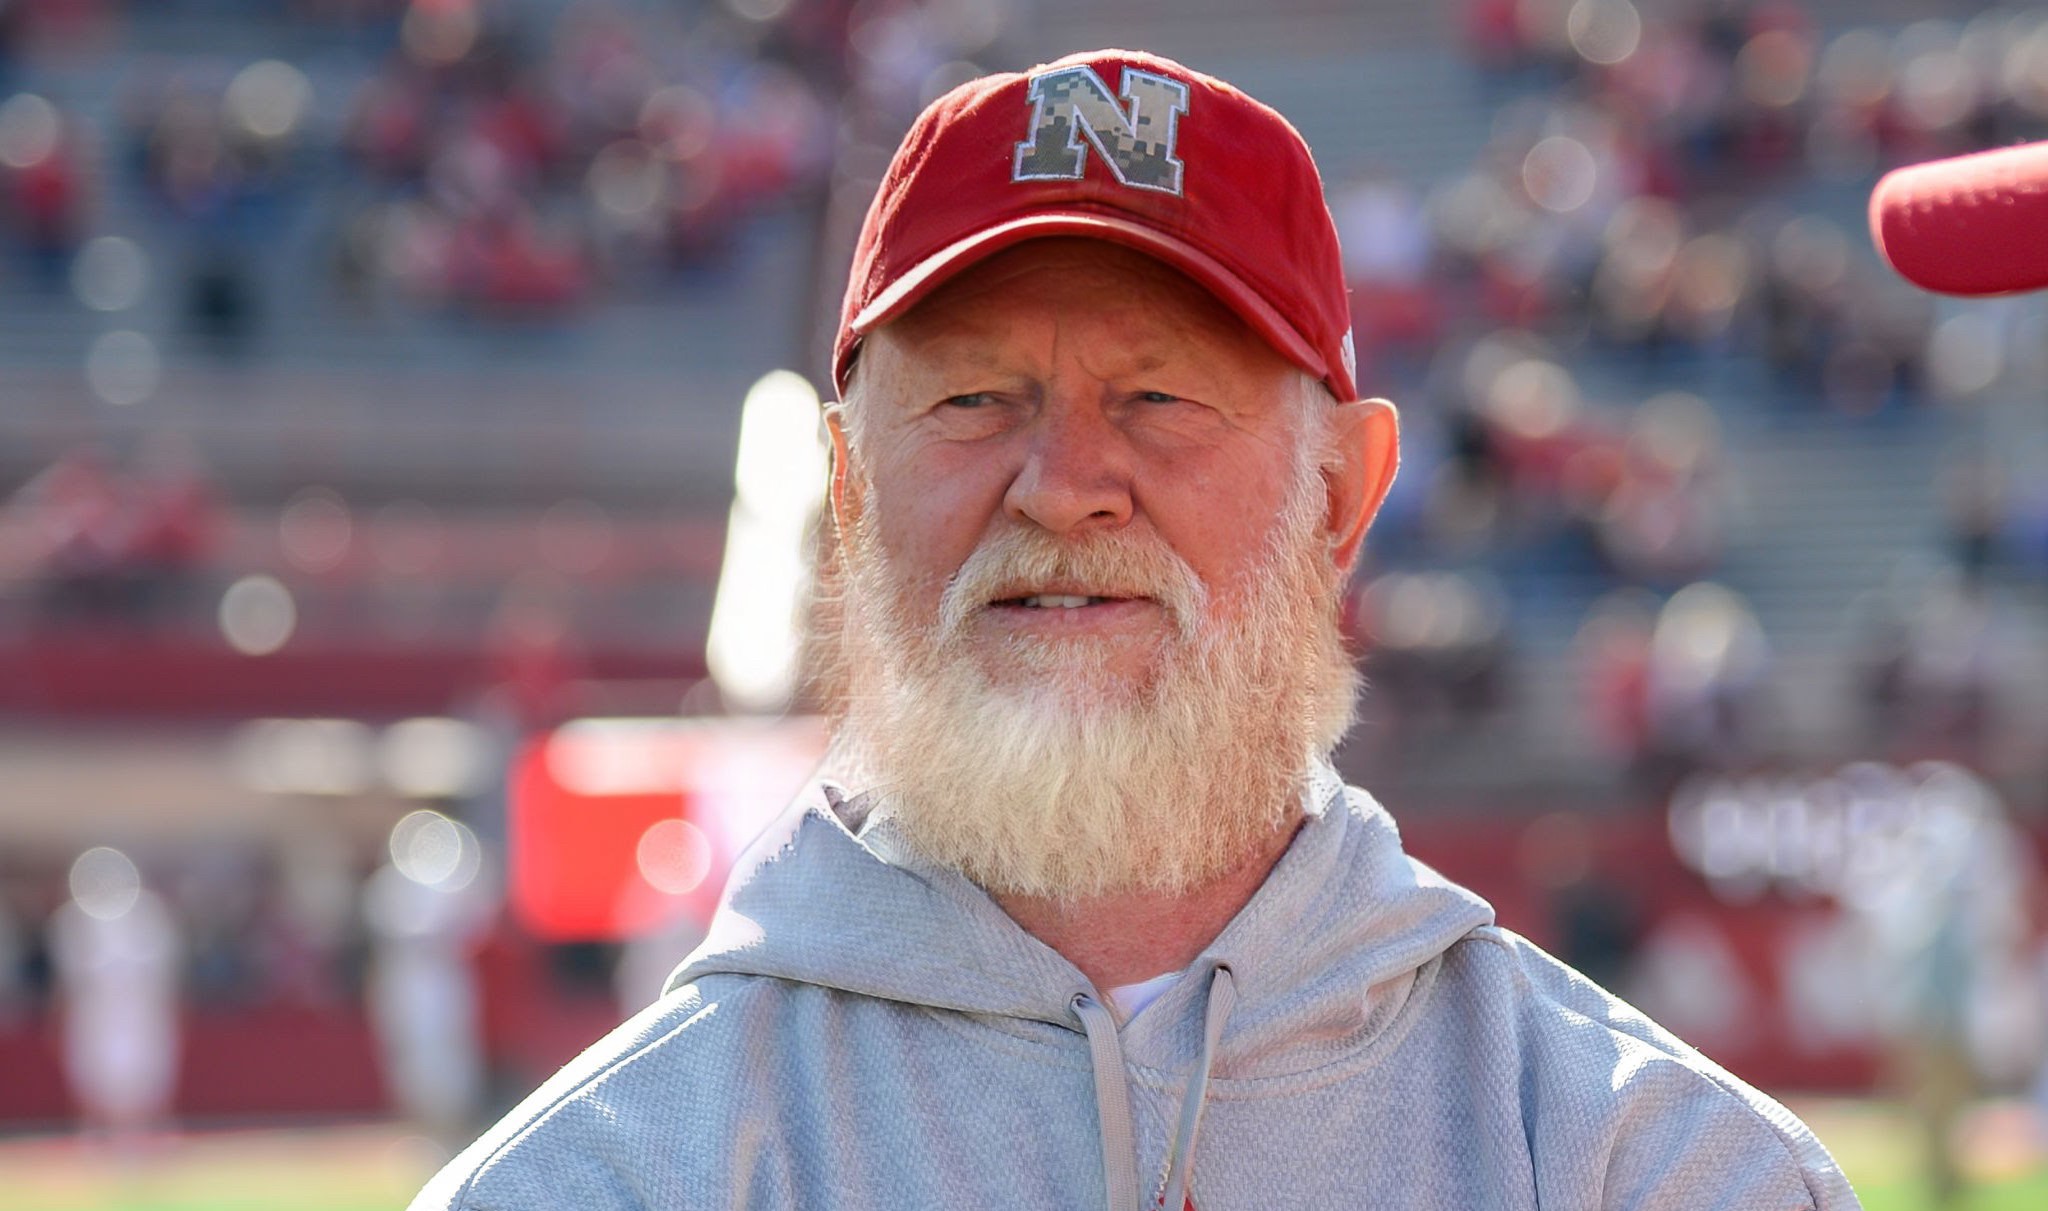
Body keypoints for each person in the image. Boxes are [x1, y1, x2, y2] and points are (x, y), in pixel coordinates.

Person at [412, 49, 1857, 1209]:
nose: (1062, 485)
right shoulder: (591, 1184)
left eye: (1161, 397)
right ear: (847, 493)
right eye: (974, 399)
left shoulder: (1656, 1172)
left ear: (1342, 495)